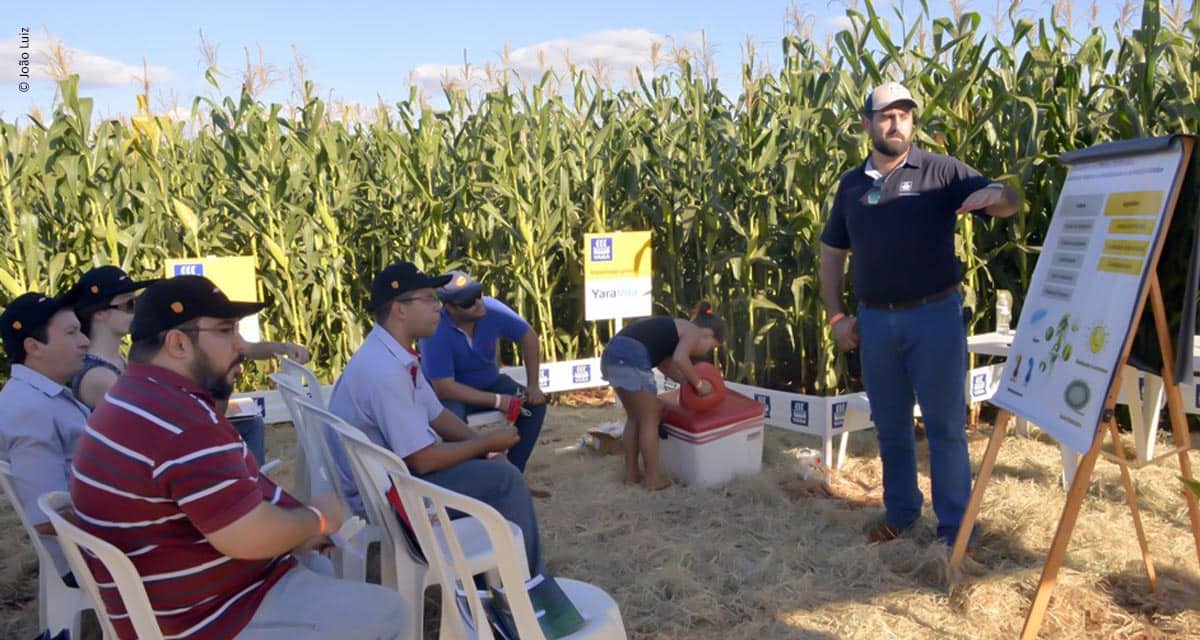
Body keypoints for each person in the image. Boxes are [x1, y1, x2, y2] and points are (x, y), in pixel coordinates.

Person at [69, 276, 407, 640]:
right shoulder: (181, 424)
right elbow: (249, 537)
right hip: (215, 617)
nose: (240, 346)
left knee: (316, 566)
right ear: (178, 343)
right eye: (226, 331)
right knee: (388, 613)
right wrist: (318, 519)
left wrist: (292, 532)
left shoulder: (135, 396)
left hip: (188, 600)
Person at [819, 82, 1020, 547]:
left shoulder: (941, 171)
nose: (896, 123)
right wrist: (836, 318)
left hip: (935, 318)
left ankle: (955, 531)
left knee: (946, 426)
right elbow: (832, 253)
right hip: (875, 323)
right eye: (886, 115)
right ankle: (903, 513)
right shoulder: (852, 186)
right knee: (890, 426)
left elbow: (1007, 201)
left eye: (904, 115)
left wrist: (997, 197)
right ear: (866, 124)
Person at [329, 261, 546, 576]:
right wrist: (487, 442)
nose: (438, 307)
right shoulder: (386, 373)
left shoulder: (390, 353)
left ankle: (497, 577)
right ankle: (527, 588)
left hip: (388, 484)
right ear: (399, 310)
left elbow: (439, 414)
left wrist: (489, 452)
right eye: (429, 299)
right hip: (394, 501)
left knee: (496, 470)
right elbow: (423, 460)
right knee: (506, 482)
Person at [68, 265, 308, 465]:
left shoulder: (117, 362)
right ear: (98, 313)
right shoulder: (98, 377)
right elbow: (158, 428)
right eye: (129, 305)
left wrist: (282, 348)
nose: (137, 310)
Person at [419, 271, 548, 477]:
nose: (478, 302)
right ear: (450, 307)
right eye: (468, 301)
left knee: (535, 406)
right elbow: (444, 388)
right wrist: (497, 401)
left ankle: (512, 473)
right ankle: (476, 476)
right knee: (452, 424)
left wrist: (533, 385)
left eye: (478, 293)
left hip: (490, 382)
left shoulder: (492, 309)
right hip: (452, 395)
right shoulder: (436, 330)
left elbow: (530, 337)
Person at [0, 289, 89, 584]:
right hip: (87, 558)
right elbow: (47, 516)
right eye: (72, 333)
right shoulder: (30, 409)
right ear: (34, 347)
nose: (84, 341)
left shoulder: (41, 397)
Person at [599, 303, 725, 491]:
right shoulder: (694, 331)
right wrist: (700, 384)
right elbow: (680, 359)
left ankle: (632, 474)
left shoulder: (673, 332)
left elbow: (668, 367)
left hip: (612, 354)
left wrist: (689, 384)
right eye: (710, 348)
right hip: (632, 356)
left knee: (635, 417)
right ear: (707, 333)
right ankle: (653, 479)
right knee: (651, 417)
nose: (705, 353)